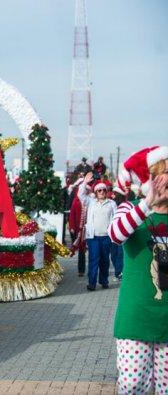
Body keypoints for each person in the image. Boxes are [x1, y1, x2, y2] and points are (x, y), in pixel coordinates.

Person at [108, 146, 168, 394]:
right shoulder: (131, 209)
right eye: (162, 174)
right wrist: (147, 204)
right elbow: (116, 234)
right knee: (132, 386)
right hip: (135, 318)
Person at [78, 172, 117, 290]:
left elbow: (115, 219)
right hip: (93, 237)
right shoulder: (91, 202)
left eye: (104, 190)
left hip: (106, 237)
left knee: (105, 261)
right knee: (93, 260)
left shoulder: (112, 203)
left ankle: (104, 281)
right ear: (96, 192)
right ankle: (92, 283)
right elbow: (80, 195)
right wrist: (84, 182)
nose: (102, 192)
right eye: (99, 191)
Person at [69, 193, 87, 276]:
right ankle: (81, 270)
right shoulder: (76, 200)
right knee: (81, 249)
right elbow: (72, 214)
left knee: (84, 249)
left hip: (88, 229)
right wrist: (71, 226)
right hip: (79, 229)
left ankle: (84, 269)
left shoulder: (89, 199)